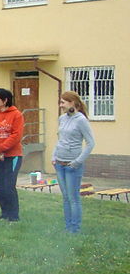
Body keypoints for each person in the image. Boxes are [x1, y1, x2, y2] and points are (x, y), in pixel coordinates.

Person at [52, 91, 95, 233]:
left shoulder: (81, 120)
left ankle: (75, 229)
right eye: (60, 102)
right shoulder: (62, 119)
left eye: (63, 102)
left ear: (72, 103)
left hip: (72, 166)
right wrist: (54, 156)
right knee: (65, 197)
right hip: (59, 163)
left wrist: (77, 162)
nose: (61, 105)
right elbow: (60, 139)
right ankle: (67, 227)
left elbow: (90, 143)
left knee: (73, 198)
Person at [0, 88, 24, 222]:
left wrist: (1, 149)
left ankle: (13, 215)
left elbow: (16, 136)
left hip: (12, 156)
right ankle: (4, 213)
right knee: (1, 185)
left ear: (5, 100)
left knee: (9, 185)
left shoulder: (16, 115)